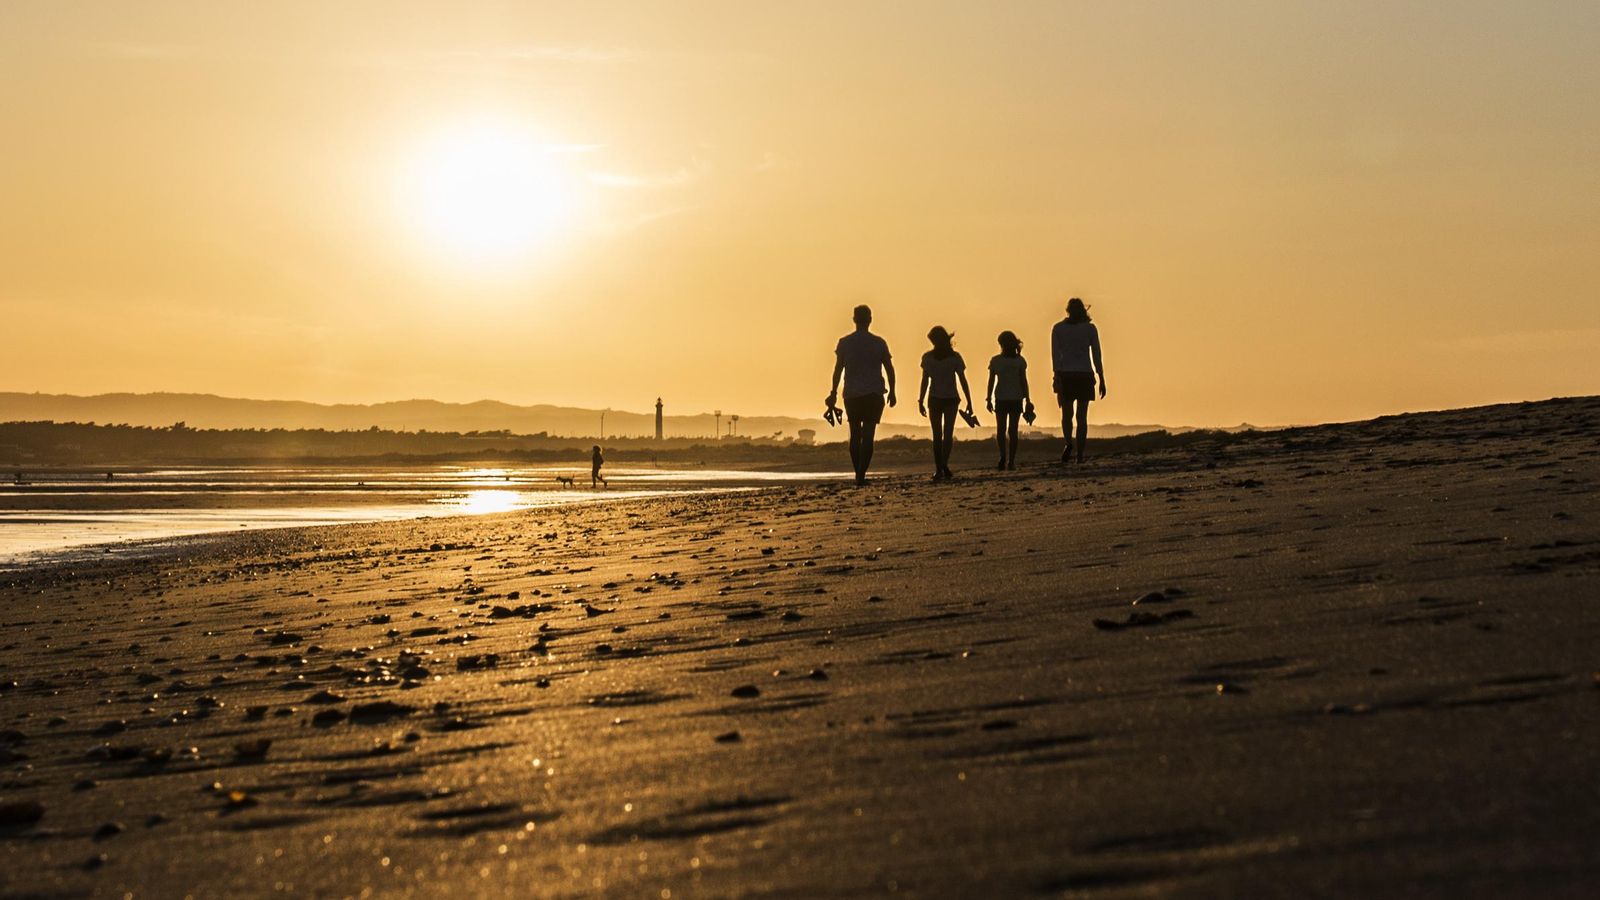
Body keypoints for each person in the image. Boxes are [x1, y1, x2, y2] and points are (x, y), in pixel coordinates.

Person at [828, 305, 897, 485]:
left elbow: (837, 370)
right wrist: (893, 390)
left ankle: (858, 473)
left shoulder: (845, 342)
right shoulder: (879, 342)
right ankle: (861, 474)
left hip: (852, 394)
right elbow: (889, 369)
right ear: (870, 319)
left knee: (855, 433)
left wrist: (833, 392)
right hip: (874, 394)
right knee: (868, 435)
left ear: (854, 320)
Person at [1050, 297, 1107, 464]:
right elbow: (1096, 354)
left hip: (1066, 374)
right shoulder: (1090, 329)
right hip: (1084, 374)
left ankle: (1068, 443)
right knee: (1082, 417)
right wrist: (1101, 376)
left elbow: (1055, 356)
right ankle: (1080, 455)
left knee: (1067, 414)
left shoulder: (1058, 329)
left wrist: (1056, 376)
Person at [918, 326, 974, 482]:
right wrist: (920, 400)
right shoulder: (941, 358)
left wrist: (969, 401)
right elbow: (924, 380)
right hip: (939, 398)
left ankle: (941, 466)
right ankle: (941, 466)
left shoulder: (948, 358)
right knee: (943, 434)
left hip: (945, 399)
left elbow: (962, 380)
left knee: (941, 435)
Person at [985, 330, 1031, 470]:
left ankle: (1007, 458)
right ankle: (1007, 459)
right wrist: (988, 398)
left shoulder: (999, 361)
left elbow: (1023, 380)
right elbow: (992, 381)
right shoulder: (1016, 361)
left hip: (1006, 397)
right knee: (1010, 430)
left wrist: (1028, 399)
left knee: (1004, 429)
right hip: (1010, 397)